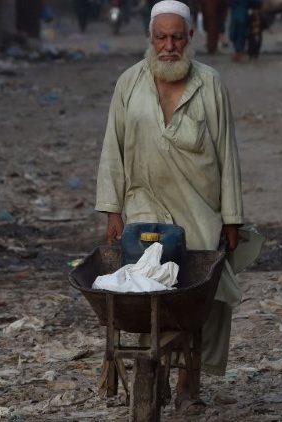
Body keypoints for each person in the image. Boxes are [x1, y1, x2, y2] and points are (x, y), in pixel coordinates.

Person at [95, 0, 248, 413]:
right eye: (161, 37)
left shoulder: (210, 84)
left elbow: (227, 153)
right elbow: (113, 150)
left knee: (199, 301)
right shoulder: (129, 83)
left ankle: (187, 385)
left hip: (198, 211)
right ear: (150, 38)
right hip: (143, 208)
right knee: (146, 294)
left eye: (176, 37)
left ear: (190, 39)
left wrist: (232, 218)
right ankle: (155, 376)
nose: (168, 46)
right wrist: (112, 210)